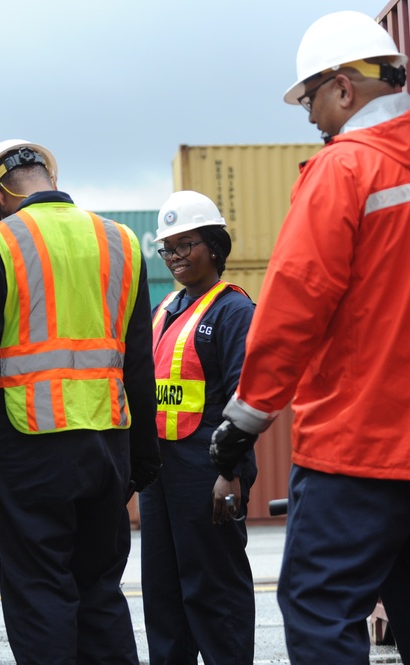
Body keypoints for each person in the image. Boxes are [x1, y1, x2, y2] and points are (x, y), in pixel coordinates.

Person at [208, 11, 410, 665]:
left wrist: (244, 418)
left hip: (359, 448)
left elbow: (293, 304)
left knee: (319, 607)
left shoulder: (344, 171)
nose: (311, 116)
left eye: (310, 97)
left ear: (344, 87)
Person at [0, 139, 161, 665]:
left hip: (33, 448)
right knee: (100, 591)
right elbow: (139, 362)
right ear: (49, 175)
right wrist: (145, 456)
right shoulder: (122, 242)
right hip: (108, 445)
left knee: (40, 590)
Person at [141, 190, 257, 665]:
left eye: (186, 244)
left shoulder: (233, 312)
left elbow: (245, 400)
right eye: (167, 248)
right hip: (160, 474)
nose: (175, 257)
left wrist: (230, 474)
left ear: (214, 245)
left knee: (215, 593)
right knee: (164, 596)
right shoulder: (164, 308)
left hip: (207, 472)